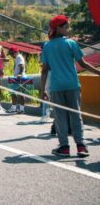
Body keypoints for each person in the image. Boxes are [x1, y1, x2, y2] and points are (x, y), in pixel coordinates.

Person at [40, 15, 100, 157]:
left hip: (56, 87)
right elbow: (83, 64)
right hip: (72, 85)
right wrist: (98, 72)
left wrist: (43, 90)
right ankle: (81, 146)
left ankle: (64, 147)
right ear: (58, 28)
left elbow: (44, 70)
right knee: (76, 115)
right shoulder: (71, 43)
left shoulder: (47, 46)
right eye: (66, 27)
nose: (69, 29)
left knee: (60, 117)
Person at [7, 46, 26, 114]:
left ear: (16, 52)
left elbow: (22, 65)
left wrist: (20, 74)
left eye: (12, 53)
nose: (11, 55)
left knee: (20, 93)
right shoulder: (17, 58)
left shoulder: (19, 57)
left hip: (19, 77)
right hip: (17, 77)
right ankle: (14, 108)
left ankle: (21, 109)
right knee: (14, 93)